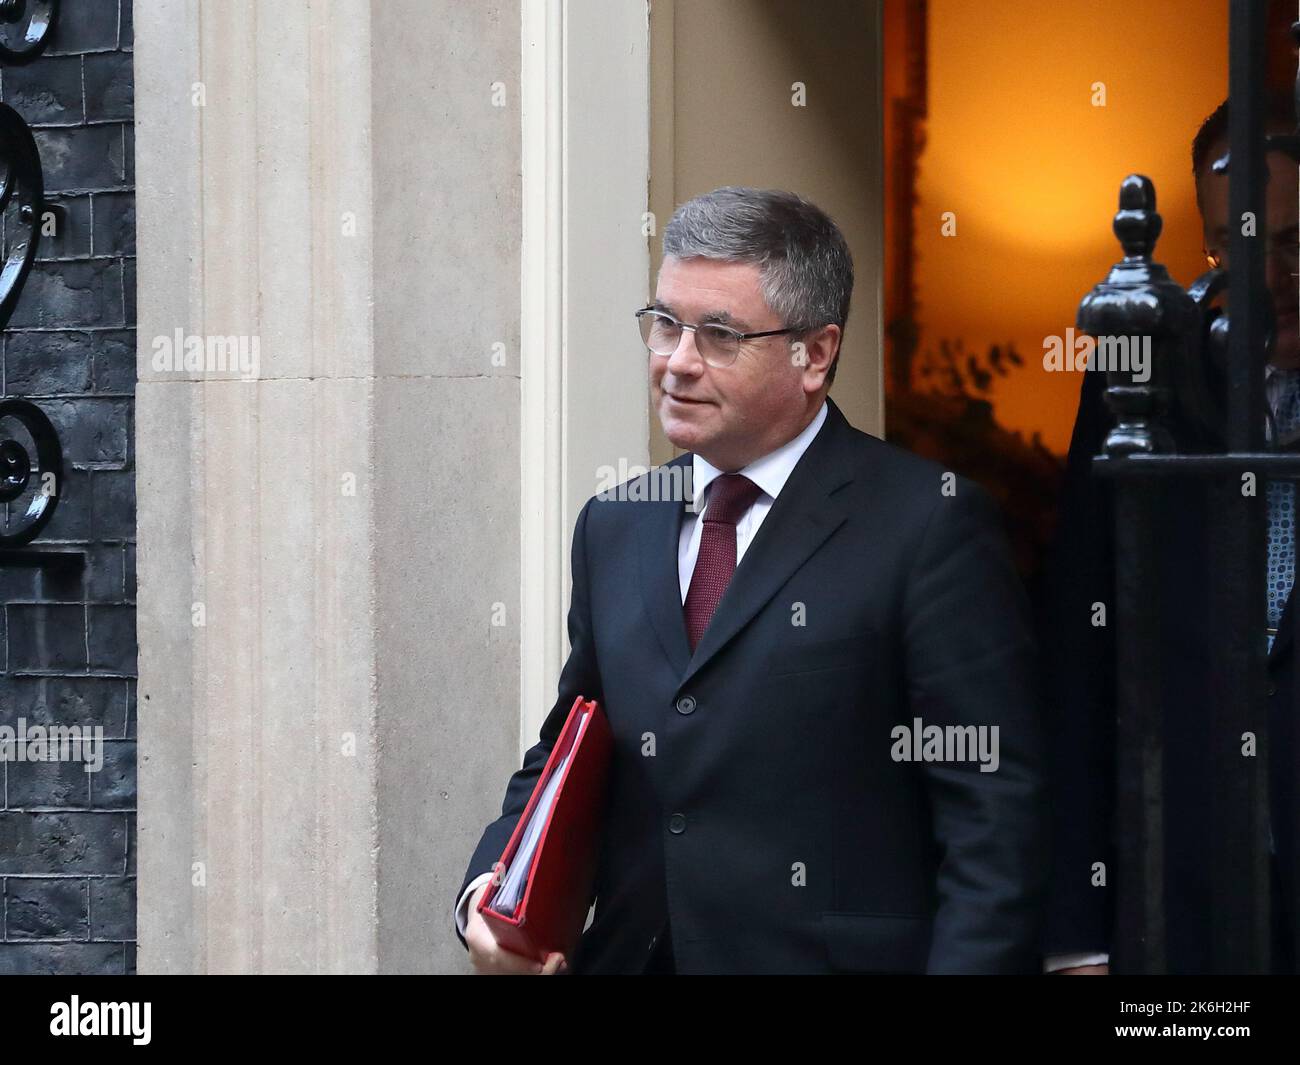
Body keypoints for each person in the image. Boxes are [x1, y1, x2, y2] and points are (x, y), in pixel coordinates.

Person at [453, 187, 1048, 975]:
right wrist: (490, 894)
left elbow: (992, 818)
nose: (677, 361)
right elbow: (574, 744)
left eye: (721, 335)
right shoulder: (615, 523)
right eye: (665, 324)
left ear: (816, 352)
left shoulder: (928, 525)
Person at [1043, 93, 1300, 974]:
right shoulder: (1138, 382)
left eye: (1295, 242)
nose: (1268, 277)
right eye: (1237, 244)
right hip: (1185, 894)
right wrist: (1076, 934)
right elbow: (1082, 648)